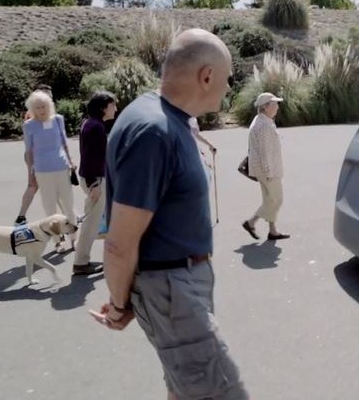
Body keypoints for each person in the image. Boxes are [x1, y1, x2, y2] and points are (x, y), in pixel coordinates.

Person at [90, 29, 248, 400]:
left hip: (176, 287)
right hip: (172, 290)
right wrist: (119, 303)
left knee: (184, 391)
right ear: (206, 76)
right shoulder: (154, 131)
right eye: (226, 80)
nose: (227, 89)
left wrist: (126, 300)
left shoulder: (160, 116)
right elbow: (119, 242)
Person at [22, 90, 77, 253]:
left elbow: (64, 142)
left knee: (68, 204)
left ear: (49, 106)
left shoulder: (58, 119)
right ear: (32, 109)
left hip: (61, 167)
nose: (41, 110)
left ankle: (74, 239)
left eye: (44, 106)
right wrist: (30, 174)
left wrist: (71, 161)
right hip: (42, 170)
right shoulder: (29, 125)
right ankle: (58, 241)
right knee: (49, 208)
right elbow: (29, 151)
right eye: (37, 107)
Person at [73, 91, 117, 276]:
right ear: (103, 108)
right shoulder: (96, 127)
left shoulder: (92, 124)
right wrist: (94, 184)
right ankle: (81, 263)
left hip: (93, 178)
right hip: (95, 180)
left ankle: (83, 260)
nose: (115, 108)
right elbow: (91, 157)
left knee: (94, 221)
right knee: (91, 222)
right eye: (112, 105)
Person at [241, 92, 290, 241]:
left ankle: (272, 231)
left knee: (269, 198)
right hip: (268, 169)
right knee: (277, 199)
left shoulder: (263, 120)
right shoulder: (264, 125)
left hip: (263, 168)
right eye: (274, 104)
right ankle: (251, 222)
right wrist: (269, 171)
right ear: (265, 107)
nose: (277, 107)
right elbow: (265, 151)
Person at [14, 84, 55, 226]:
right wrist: (32, 163)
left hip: (45, 156)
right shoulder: (32, 115)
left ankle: (68, 213)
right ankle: (21, 216)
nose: (49, 98)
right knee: (34, 185)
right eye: (46, 95)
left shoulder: (49, 113)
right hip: (35, 155)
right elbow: (31, 142)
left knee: (52, 186)